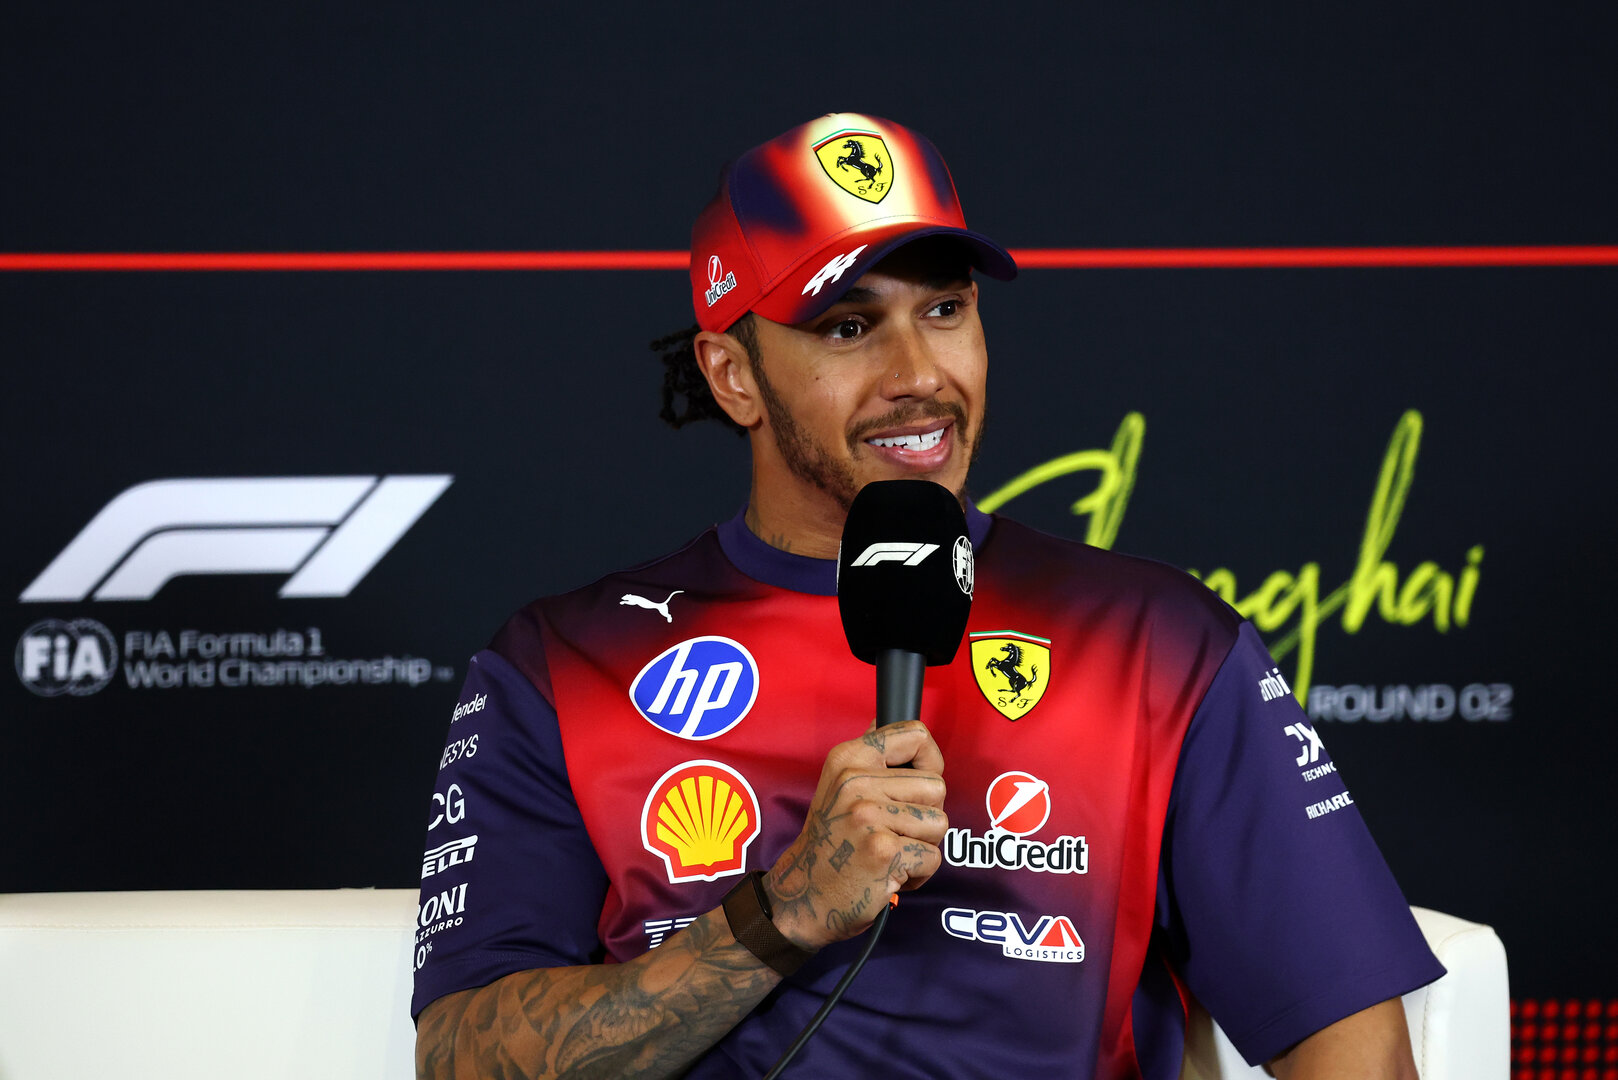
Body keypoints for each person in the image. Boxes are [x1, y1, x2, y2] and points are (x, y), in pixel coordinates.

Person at [411, 112, 1443, 1079]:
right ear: (731, 375)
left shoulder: (1158, 643)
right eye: (850, 328)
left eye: (944, 311)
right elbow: (460, 1055)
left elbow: (1353, 1049)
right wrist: (788, 909)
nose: (918, 375)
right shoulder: (566, 664)